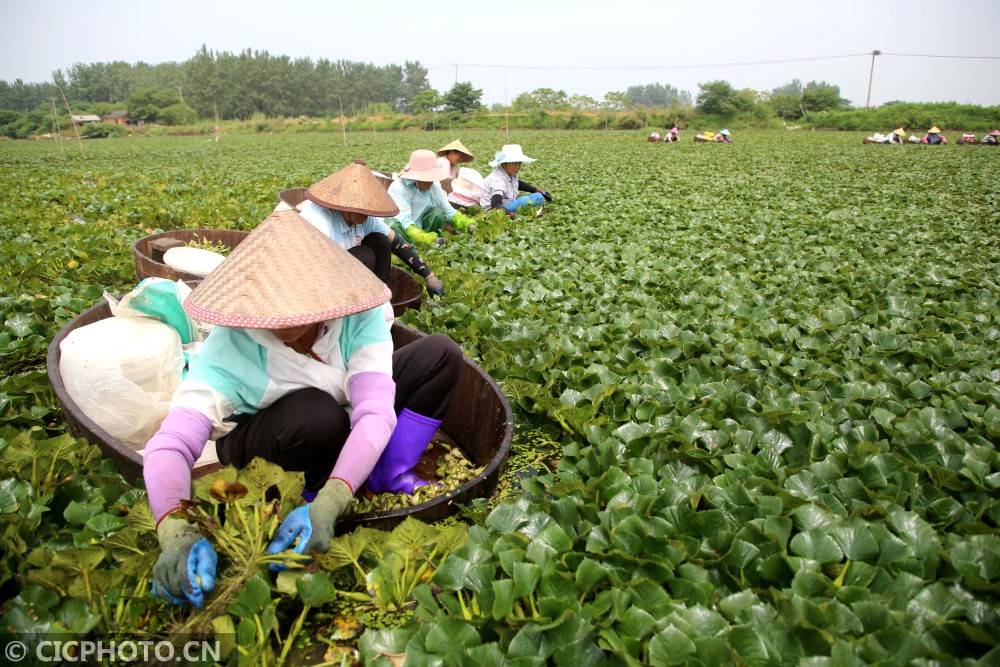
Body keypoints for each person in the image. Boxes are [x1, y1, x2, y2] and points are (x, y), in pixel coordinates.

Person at [145, 209, 463, 608]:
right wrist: (173, 526)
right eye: (273, 307)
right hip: (271, 435)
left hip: (343, 413)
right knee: (317, 415)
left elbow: (375, 408)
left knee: (441, 354)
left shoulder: (356, 314)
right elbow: (170, 445)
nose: (286, 320)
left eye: (299, 304)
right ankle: (308, 494)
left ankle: (382, 472)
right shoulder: (230, 349)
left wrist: (337, 498)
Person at [291, 160, 445, 297]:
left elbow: (396, 242)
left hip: (341, 270)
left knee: (381, 240)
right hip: (313, 278)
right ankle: (361, 304)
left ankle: (380, 292)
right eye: (365, 211)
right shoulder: (320, 222)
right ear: (348, 206)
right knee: (365, 255)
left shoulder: (364, 218)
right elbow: (313, 270)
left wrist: (428, 275)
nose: (368, 216)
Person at [384, 149, 476, 246]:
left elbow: (449, 211)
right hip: (402, 231)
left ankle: (427, 244)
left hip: (422, 228)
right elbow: (404, 221)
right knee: (392, 225)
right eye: (426, 178)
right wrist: (427, 239)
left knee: (437, 213)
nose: (430, 181)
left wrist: (468, 224)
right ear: (416, 177)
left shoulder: (434, 186)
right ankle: (405, 249)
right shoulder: (399, 188)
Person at [479, 144, 553, 216]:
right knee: (529, 200)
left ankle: (525, 212)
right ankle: (521, 214)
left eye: (519, 163)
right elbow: (495, 204)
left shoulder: (509, 173)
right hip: (494, 212)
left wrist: (537, 190)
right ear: (504, 163)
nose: (517, 167)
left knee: (537, 196)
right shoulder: (498, 180)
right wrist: (510, 214)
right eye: (514, 164)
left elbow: (518, 184)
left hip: (506, 205)